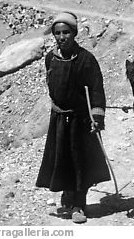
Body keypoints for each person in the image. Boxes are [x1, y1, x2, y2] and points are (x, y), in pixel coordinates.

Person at [35, 12, 111, 224]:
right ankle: (68, 194)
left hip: (80, 120)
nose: (62, 37)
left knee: (80, 163)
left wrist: (97, 117)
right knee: (62, 159)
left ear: (74, 33)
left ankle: (79, 204)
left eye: (66, 32)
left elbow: (97, 90)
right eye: (58, 33)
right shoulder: (51, 58)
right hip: (59, 119)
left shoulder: (86, 60)